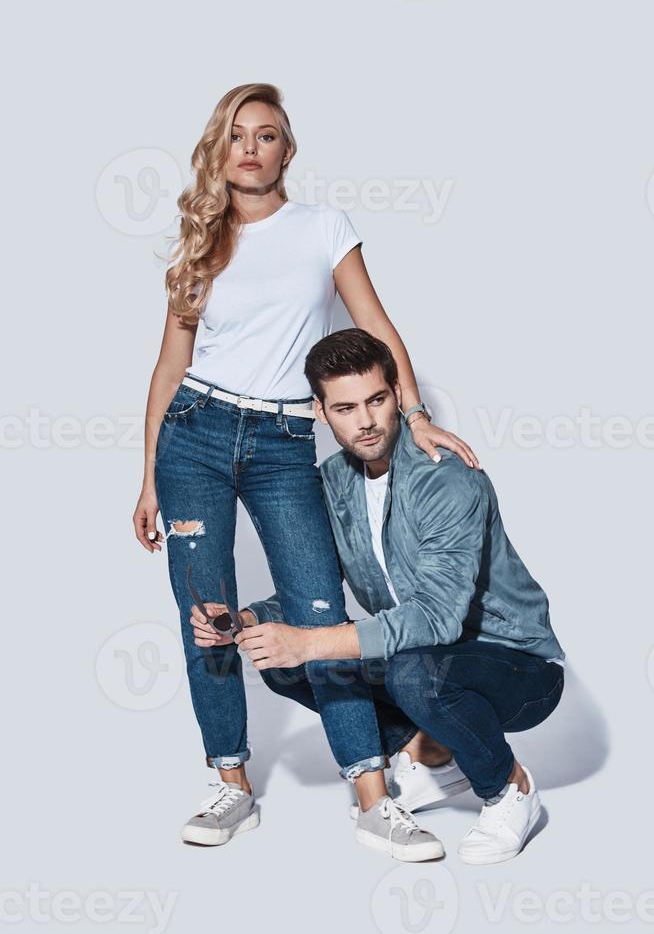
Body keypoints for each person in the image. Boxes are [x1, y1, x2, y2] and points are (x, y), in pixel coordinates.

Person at [131, 82, 481, 852]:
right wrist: (149, 473)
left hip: (285, 442)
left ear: (288, 151)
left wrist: (417, 416)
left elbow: (377, 328)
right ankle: (229, 784)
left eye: (267, 135)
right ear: (219, 151)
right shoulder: (199, 245)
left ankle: (371, 795)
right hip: (192, 432)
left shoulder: (324, 227)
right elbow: (167, 367)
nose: (250, 147)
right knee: (209, 619)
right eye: (237, 135)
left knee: (319, 611)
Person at [192, 328, 566, 865]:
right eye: (345, 407)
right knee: (282, 661)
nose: (365, 421)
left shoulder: (445, 480)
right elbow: (312, 590)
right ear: (321, 412)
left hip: (517, 666)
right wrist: (249, 617)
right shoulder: (332, 483)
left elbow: (437, 619)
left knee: (408, 669)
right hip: (425, 661)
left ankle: (511, 789)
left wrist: (310, 642)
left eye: (376, 400)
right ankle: (434, 755)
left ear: (397, 393)